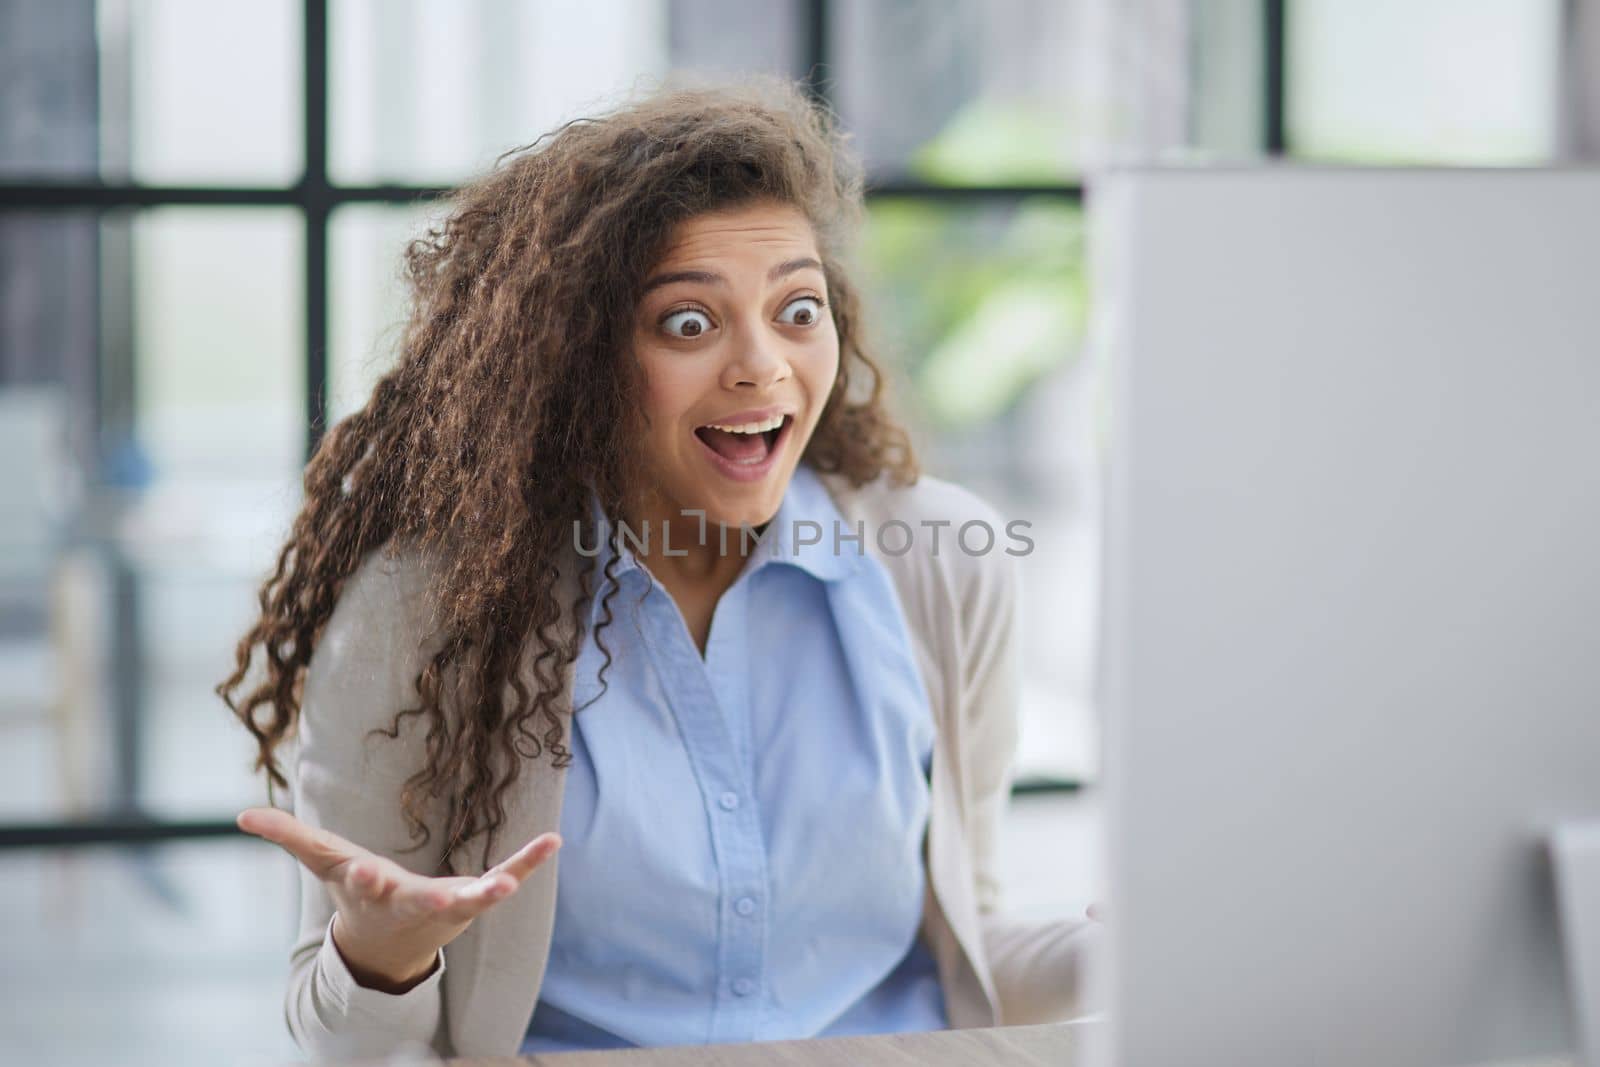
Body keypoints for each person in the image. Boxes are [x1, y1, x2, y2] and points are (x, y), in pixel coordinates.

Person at [219, 77, 1094, 1062]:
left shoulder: (940, 565)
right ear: (579, 359)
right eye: (689, 322)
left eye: (797, 309)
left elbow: (968, 939)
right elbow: (345, 1043)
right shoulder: (428, 613)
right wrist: (380, 955)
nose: (761, 364)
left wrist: (1139, 945)